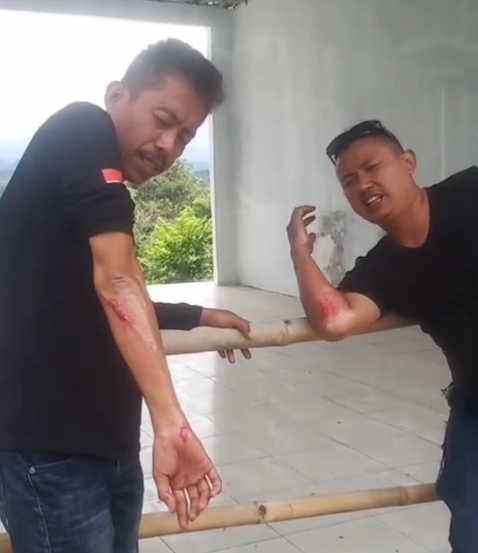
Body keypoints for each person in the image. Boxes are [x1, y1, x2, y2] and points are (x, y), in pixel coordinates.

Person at [0, 38, 252, 553]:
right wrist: (172, 422)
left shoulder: (90, 195)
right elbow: (116, 283)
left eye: (185, 137)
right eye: (163, 120)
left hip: (108, 444)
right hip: (49, 452)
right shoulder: (83, 127)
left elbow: (100, 300)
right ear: (118, 95)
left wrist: (200, 314)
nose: (168, 146)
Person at [286, 120, 477, 553]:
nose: (363, 186)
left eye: (372, 168)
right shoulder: (383, 267)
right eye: (349, 182)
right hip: (475, 405)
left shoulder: (470, 192)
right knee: (470, 522)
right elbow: (334, 320)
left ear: (408, 163)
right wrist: (300, 252)